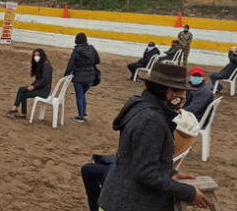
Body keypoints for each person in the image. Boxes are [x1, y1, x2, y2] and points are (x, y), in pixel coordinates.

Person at [98, 62, 211, 211]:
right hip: (129, 202)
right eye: (182, 95)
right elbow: (146, 173)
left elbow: (142, 158)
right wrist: (188, 193)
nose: (183, 101)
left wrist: (171, 174)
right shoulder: (152, 120)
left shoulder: (142, 109)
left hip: (120, 197)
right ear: (170, 93)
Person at [81, 109, 201, 211]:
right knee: (100, 163)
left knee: (90, 169)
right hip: (157, 170)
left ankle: (95, 207)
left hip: (136, 176)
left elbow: (144, 168)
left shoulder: (164, 130)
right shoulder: (189, 133)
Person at [7, 49, 53, 119]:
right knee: (22, 91)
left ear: (42, 55)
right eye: (34, 55)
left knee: (22, 90)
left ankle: (15, 109)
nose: (36, 57)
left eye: (38, 55)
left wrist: (34, 87)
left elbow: (45, 80)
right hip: (40, 88)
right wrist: (32, 85)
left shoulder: (46, 65)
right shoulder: (41, 63)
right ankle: (21, 113)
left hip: (44, 91)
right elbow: (38, 79)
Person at [65, 33, 100, 123]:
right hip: (91, 77)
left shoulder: (76, 51)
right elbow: (98, 60)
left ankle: (81, 116)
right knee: (83, 94)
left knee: (79, 96)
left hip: (79, 77)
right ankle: (84, 113)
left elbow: (70, 65)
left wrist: (66, 76)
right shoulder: (91, 48)